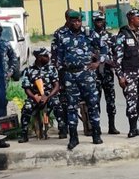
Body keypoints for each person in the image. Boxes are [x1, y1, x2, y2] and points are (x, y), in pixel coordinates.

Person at [50, 8, 103, 149]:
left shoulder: (89, 33)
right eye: (74, 21)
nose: (77, 24)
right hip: (70, 76)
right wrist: (60, 75)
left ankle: (96, 134)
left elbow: (104, 48)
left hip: (86, 74)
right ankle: (73, 137)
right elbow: (58, 56)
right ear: (69, 21)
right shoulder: (62, 35)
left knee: (92, 104)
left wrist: (97, 62)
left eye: (79, 21)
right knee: (71, 106)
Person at [115, 8, 139, 138]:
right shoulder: (123, 35)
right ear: (132, 19)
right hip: (130, 73)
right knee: (132, 101)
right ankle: (133, 128)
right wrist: (120, 77)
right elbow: (117, 59)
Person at [17, 47, 63, 143]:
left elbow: (56, 86)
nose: (48, 57)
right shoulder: (28, 70)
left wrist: (47, 97)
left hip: (49, 95)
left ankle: (62, 129)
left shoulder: (51, 69)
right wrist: (34, 97)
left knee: (57, 104)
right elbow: (26, 88)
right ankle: (24, 134)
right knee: (26, 108)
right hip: (35, 97)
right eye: (45, 56)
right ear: (39, 57)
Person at [90, 13, 121, 135]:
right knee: (95, 101)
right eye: (97, 20)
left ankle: (112, 126)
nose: (99, 22)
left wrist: (111, 61)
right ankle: (96, 127)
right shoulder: (89, 36)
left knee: (111, 100)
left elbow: (116, 53)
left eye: (101, 20)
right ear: (93, 21)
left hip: (107, 72)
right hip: (94, 73)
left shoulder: (110, 36)